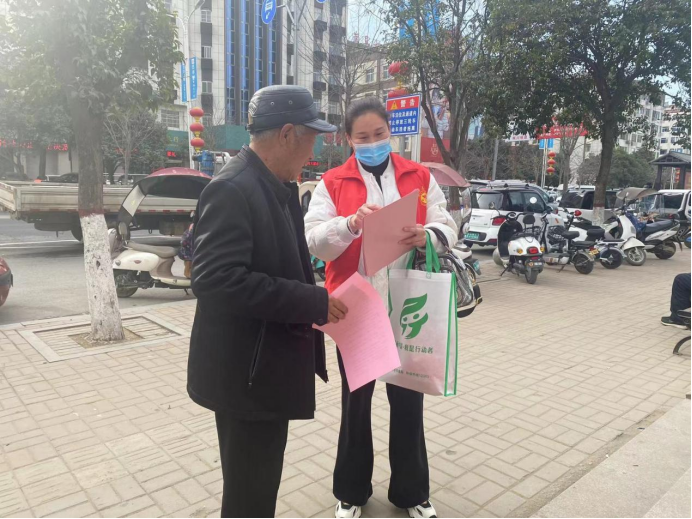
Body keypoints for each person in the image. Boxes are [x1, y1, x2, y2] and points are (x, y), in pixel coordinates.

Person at [188, 85, 348, 519]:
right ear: (287, 134)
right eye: (311, 137)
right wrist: (310, 300)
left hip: (262, 371)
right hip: (246, 377)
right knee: (249, 496)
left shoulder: (275, 185)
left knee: (259, 488)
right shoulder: (234, 188)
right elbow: (215, 279)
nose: (314, 149)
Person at [305, 97, 459, 519]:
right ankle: (351, 491)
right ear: (348, 139)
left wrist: (428, 234)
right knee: (356, 402)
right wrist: (350, 224)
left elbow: (448, 224)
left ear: (390, 132)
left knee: (408, 401)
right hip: (355, 308)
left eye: (379, 134)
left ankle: (412, 492)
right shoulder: (333, 182)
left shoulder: (418, 176)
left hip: (408, 306)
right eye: (363, 137)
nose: (372, 143)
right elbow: (313, 240)